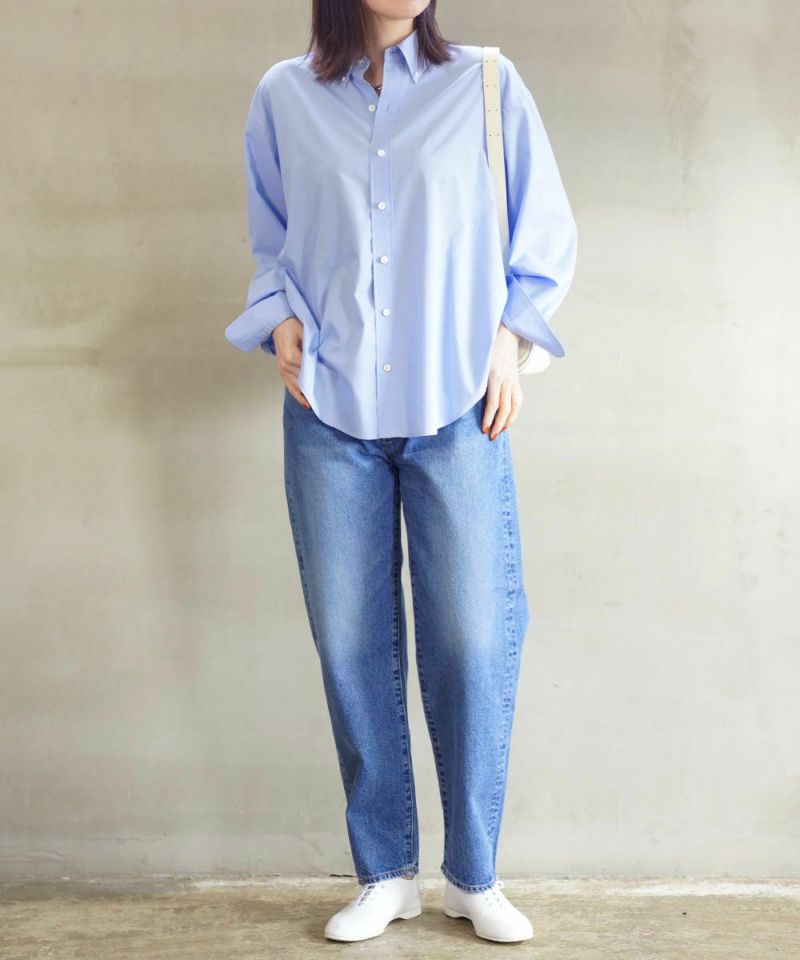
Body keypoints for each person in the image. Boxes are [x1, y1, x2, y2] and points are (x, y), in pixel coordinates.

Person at [225, 0, 577, 944]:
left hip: (458, 406)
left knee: (472, 637)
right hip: (328, 410)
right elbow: (272, 244)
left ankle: (473, 874)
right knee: (350, 645)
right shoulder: (284, 97)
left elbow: (543, 234)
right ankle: (385, 873)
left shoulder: (486, 84)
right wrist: (279, 316)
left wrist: (511, 341)